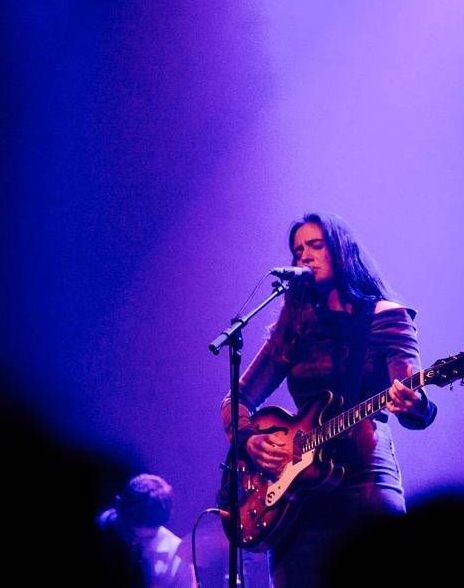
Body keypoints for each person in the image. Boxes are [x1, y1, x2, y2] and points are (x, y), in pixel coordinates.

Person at [221, 212, 437, 588]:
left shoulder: (387, 318)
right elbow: (236, 398)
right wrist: (249, 440)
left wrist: (413, 403)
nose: (304, 256)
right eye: (297, 250)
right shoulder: (295, 327)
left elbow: (413, 399)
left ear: (341, 251)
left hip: (364, 478)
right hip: (297, 494)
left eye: (315, 246)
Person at [97, 473, 198, 588]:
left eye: (148, 538)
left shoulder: (177, 555)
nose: (135, 543)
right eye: (131, 534)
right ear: (119, 511)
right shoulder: (96, 532)